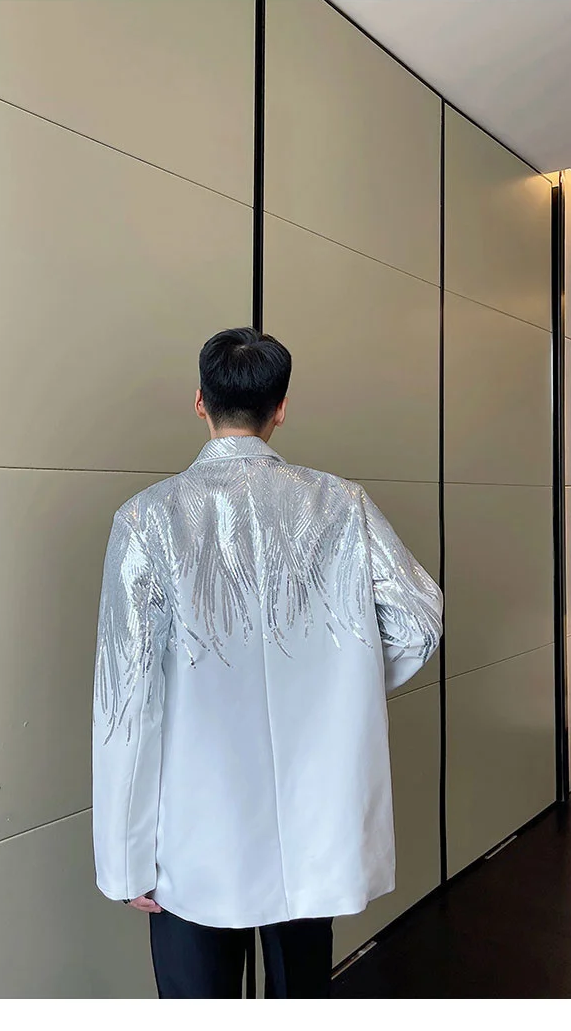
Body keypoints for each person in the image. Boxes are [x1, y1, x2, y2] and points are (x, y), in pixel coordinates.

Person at [92, 327, 443, 999]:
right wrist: (340, 687)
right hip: (313, 825)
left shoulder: (147, 520)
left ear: (200, 401)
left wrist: (124, 858)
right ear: (281, 408)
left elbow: (124, 701)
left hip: (193, 833)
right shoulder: (342, 506)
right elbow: (419, 621)